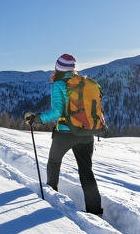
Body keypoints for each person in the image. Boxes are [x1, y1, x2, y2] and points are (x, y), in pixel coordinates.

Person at [25, 54, 103, 217]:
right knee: (86, 171)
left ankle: (51, 196)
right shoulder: (85, 83)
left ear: (58, 68)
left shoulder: (59, 84)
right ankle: (95, 211)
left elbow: (57, 112)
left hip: (66, 133)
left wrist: (37, 119)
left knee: (54, 162)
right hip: (86, 133)